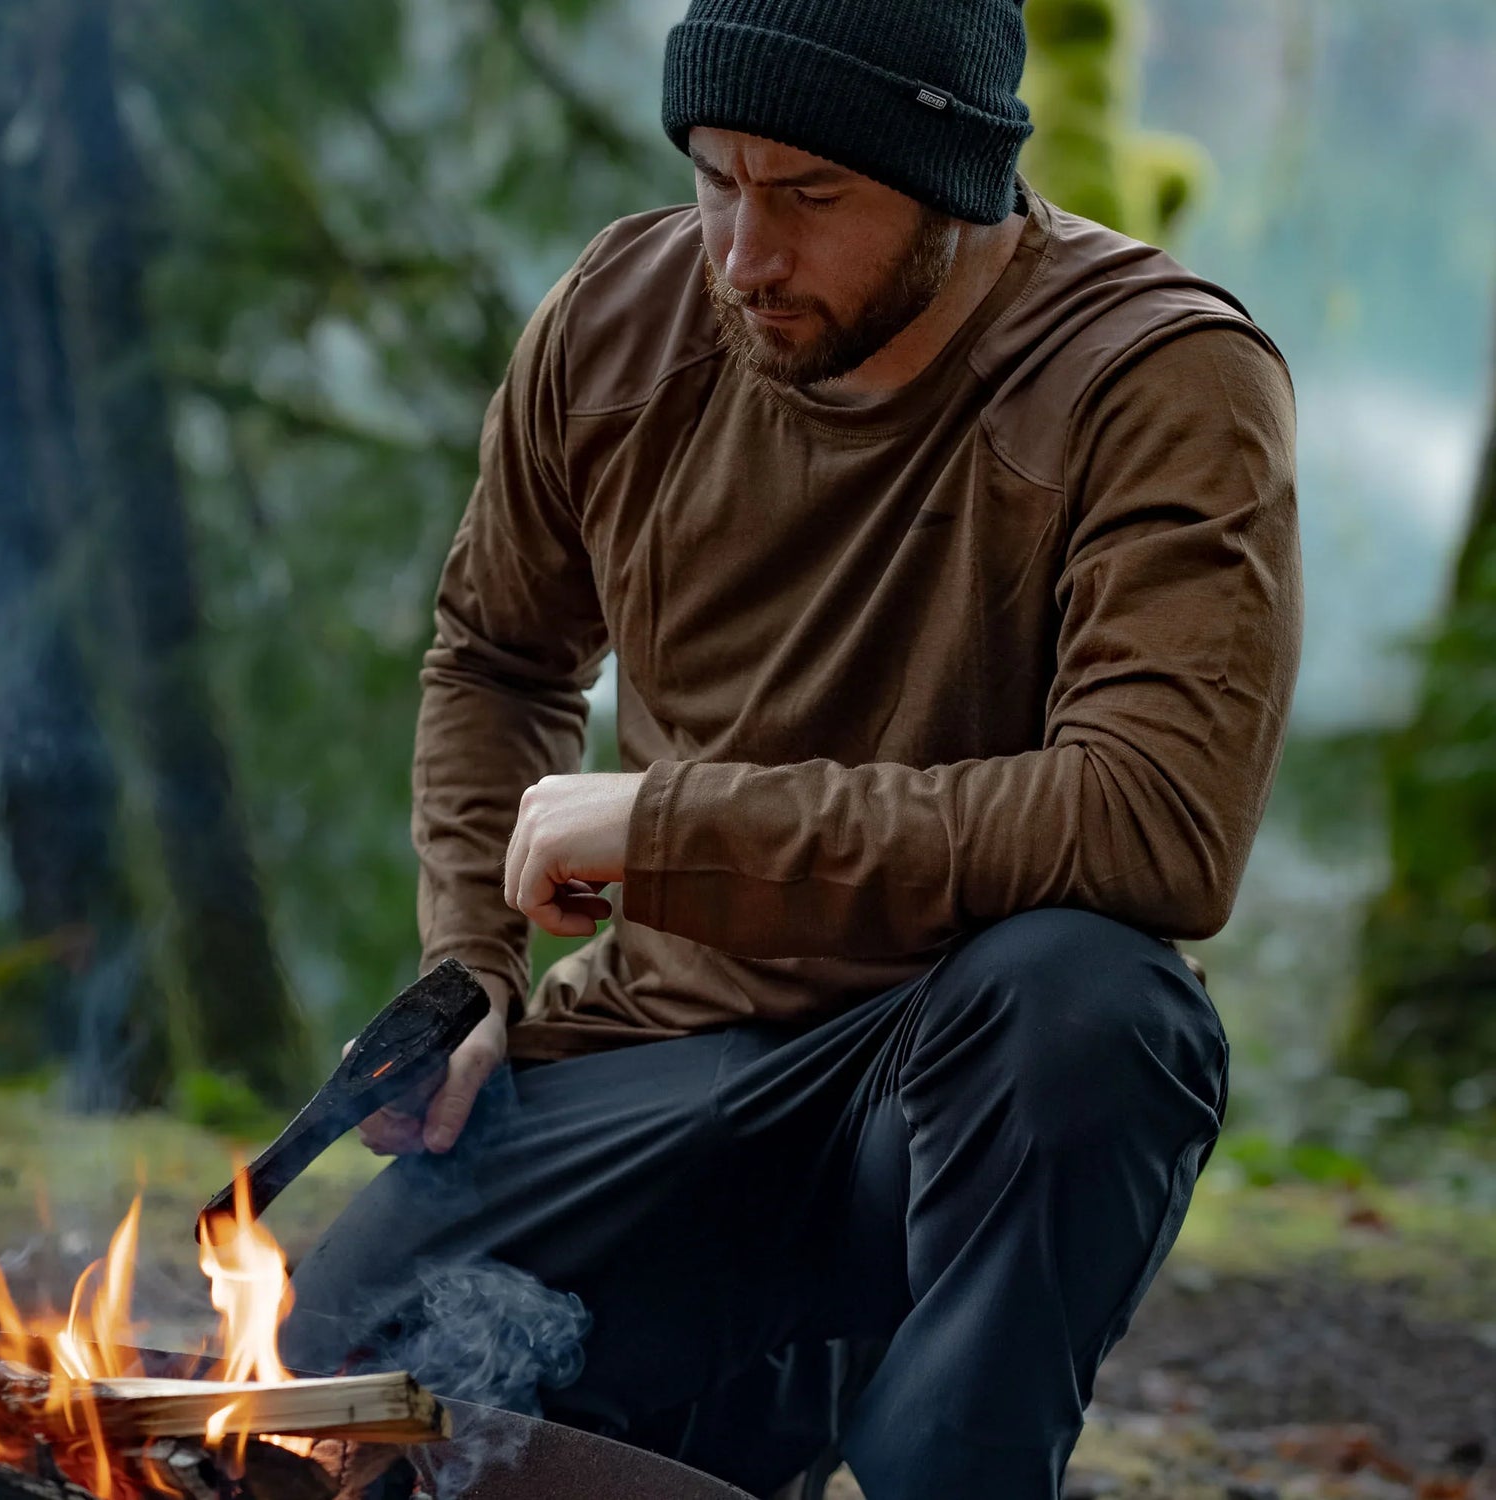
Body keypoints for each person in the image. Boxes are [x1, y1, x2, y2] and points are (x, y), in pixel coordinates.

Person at [281, 1, 1303, 1495]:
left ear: (952, 183)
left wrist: (675, 827)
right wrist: (472, 972)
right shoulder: (622, 316)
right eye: (717, 177)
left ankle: (936, 1457)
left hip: (946, 1083)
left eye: (810, 197)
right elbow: (500, 659)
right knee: (334, 1383)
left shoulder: (1157, 378)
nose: (745, 255)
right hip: (664, 1052)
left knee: (1096, 1008)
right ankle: (742, 1416)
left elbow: (1157, 820)